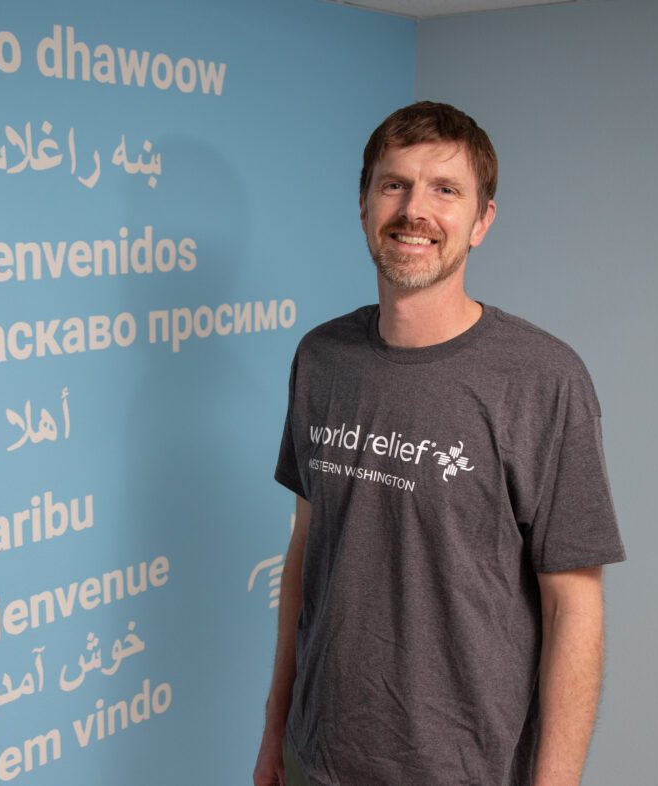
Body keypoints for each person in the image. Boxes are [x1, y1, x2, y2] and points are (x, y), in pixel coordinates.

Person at [253, 102, 626, 786]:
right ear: (365, 205)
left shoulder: (544, 380)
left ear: (482, 220)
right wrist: (276, 730)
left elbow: (573, 606)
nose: (413, 210)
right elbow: (306, 559)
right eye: (394, 184)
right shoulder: (321, 359)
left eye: (445, 190)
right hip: (317, 760)